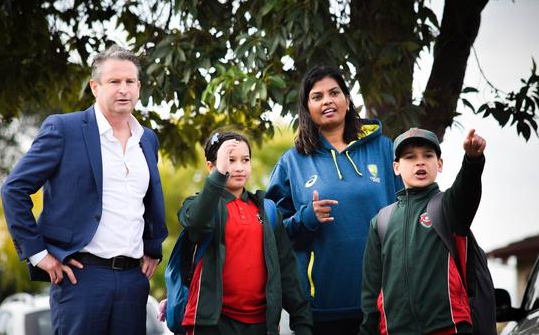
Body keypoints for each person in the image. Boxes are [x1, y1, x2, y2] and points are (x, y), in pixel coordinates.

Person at [0, 45, 168, 335]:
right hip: (81, 279)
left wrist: (153, 248)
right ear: (95, 87)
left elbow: (150, 201)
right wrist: (39, 255)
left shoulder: (147, 139)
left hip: (133, 282)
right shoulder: (64, 130)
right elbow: (14, 189)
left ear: (139, 87)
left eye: (130, 82)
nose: (123, 89)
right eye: (114, 82)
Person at [266, 65, 402, 334]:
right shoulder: (292, 162)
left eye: (334, 93)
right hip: (323, 308)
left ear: (347, 100)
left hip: (385, 301)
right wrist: (306, 219)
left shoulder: (385, 149)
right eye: (317, 96)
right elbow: (273, 231)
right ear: (307, 107)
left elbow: (409, 210)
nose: (327, 101)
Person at [178, 131, 313, 335]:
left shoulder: (267, 211)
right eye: (230, 160)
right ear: (211, 166)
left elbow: (286, 269)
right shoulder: (199, 206)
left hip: (261, 325)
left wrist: (302, 321)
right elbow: (196, 223)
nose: (239, 167)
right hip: (212, 324)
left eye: (245, 160)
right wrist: (219, 175)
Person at [359, 128, 486, 334]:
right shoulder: (381, 221)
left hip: (449, 327)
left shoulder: (449, 206)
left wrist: (472, 160)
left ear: (440, 164)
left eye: (428, 155)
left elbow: (468, 189)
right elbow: (371, 292)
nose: (420, 162)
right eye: (410, 157)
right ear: (396, 167)